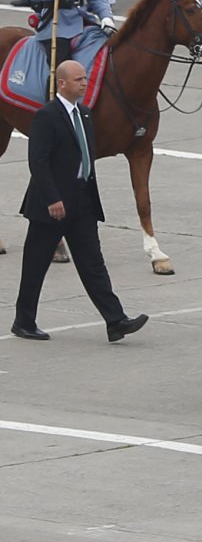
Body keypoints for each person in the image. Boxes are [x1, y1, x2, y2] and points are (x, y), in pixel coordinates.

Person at [11, 60, 148, 344]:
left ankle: (115, 321)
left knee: (92, 263)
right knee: (35, 264)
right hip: (53, 204)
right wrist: (52, 198)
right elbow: (38, 161)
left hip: (82, 200)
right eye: (78, 79)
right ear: (62, 84)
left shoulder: (84, 114)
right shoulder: (47, 116)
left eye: (85, 78)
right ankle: (24, 321)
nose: (84, 83)